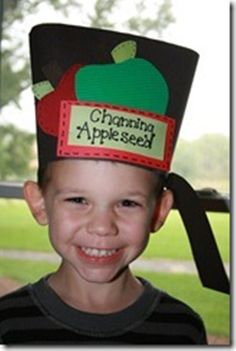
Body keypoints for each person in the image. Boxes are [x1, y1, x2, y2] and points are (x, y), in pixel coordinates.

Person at [0, 23, 229, 345]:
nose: (103, 227)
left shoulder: (182, 329)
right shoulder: (9, 325)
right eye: (78, 199)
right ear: (39, 203)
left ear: (159, 211)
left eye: (127, 203)